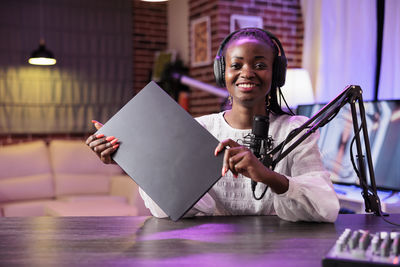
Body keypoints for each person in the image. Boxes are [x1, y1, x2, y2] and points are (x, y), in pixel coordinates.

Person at [86, 28, 340, 222]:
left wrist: (268, 176)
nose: (247, 72)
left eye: (260, 65)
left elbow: (325, 208)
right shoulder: (199, 129)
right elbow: (166, 211)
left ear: (277, 73)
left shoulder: (296, 131)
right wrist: (132, 160)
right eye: (236, 65)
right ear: (222, 73)